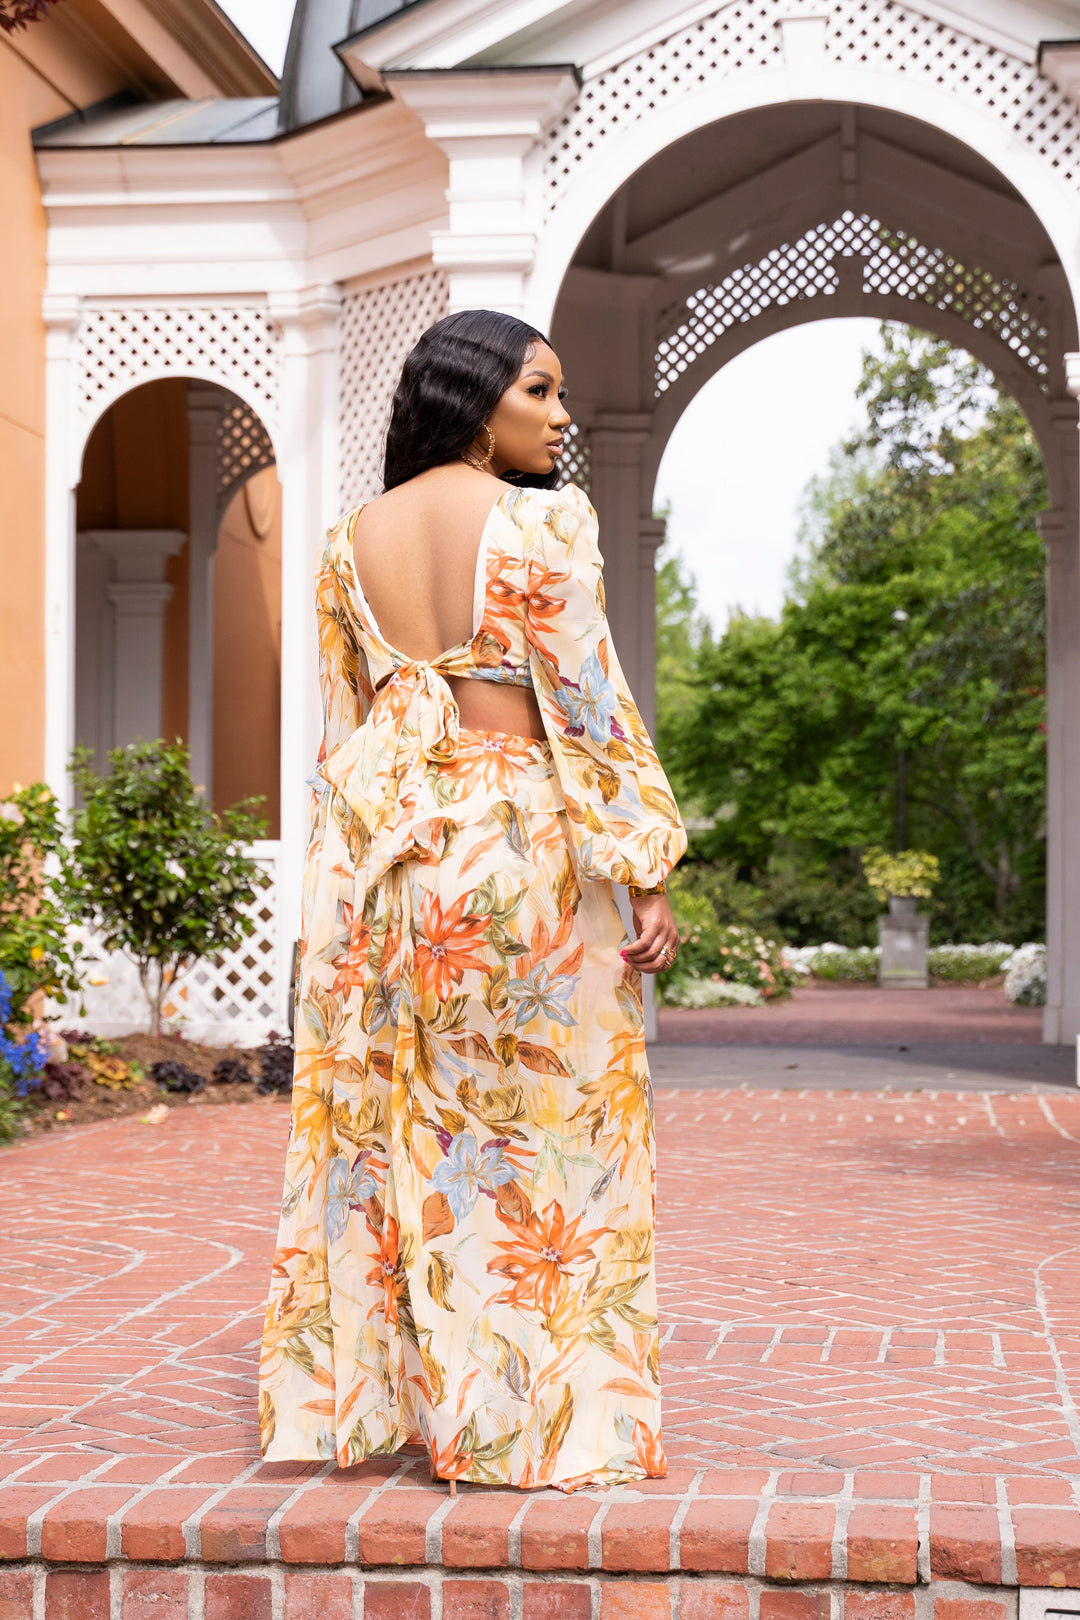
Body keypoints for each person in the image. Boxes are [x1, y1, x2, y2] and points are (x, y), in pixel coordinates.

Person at [259, 309, 686, 1493]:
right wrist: (643, 864)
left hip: (387, 861)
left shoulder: (349, 541)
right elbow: (587, 703)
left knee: (409, 1132)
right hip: (516, 848)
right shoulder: (542, 522)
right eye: (539, 390)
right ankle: (531, 1422)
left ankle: (410, 1405)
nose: (562, 415)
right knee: (548, 1133)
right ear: (477, 398)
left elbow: (349, 727)